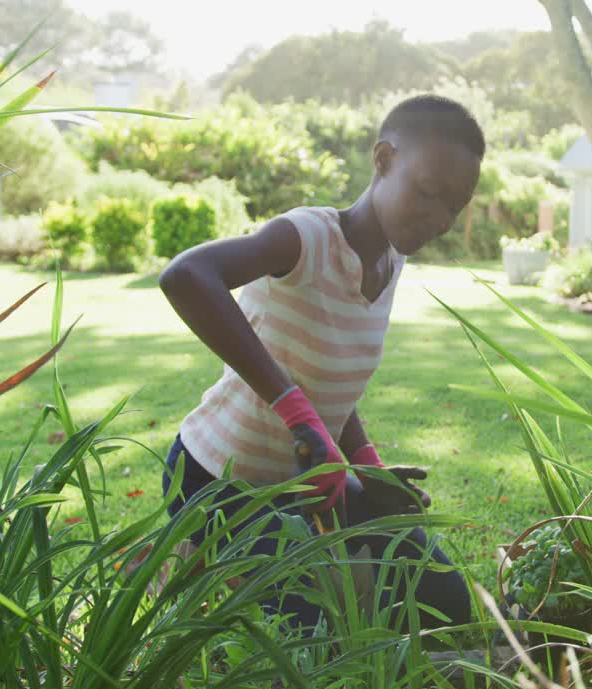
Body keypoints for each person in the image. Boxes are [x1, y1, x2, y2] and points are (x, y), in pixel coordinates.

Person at [157, 94, 484, 631]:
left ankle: (318, 559)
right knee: (313, 638)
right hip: (218, 481)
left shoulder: (391, 261)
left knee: (443, 600)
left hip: (307, 483)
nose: (441, 217)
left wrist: (367, 464)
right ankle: (200, 563)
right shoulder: (306, 238)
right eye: (428, 192)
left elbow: (328, 377)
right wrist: (295, 412)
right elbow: (186, 276)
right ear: (383, 161)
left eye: (455, 205)